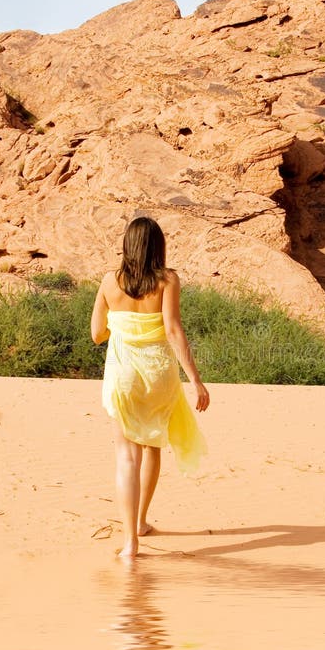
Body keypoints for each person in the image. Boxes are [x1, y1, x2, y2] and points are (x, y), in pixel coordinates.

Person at [91, 216, 209, 558]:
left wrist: (122, 325)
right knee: (153, 445)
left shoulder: (108, 282)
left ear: (127, 245)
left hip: (123, 375)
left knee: (126, 456)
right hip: (159, 375)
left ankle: (131, 541)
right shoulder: (168, 280)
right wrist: (195, 380)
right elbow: (173, 330)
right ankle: (141, 520)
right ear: (158, 246)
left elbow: (97, 334)